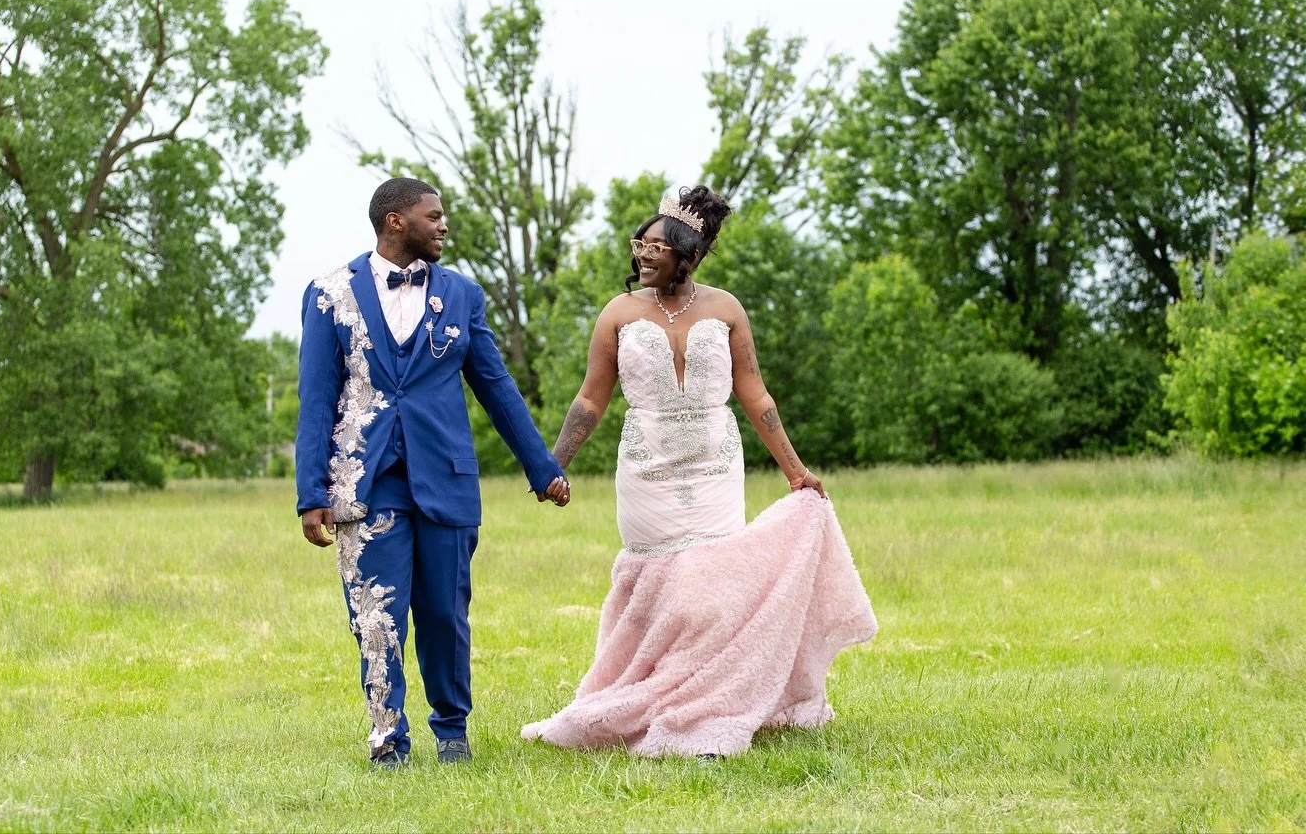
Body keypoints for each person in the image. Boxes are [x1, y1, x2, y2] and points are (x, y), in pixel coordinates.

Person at [522, 185, 877, 759]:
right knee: (669, 589)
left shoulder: (726, 308)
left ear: (686, 253)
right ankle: (651, 692)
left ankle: (710, 698)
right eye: (639, 244)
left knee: (710, 588)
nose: (642, 254)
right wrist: (550, 465)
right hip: (647, 470)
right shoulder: (618, 313)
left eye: (655, 246)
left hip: (715, 464)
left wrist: (795, 471)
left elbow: (755, 394)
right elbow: (590, 400)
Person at [296, 177, 568, 769]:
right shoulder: (328, 294)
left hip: (445, 479)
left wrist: (543, 468)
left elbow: (496, 389)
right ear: (396, 221)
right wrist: (310, 493)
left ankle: (452, 734)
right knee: (376, 614)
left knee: (446, 613)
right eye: (434, 215)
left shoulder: (463, 296)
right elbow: (316, 400)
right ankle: (387, 739)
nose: (444, 225)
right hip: (364, 482)